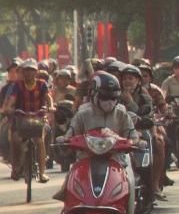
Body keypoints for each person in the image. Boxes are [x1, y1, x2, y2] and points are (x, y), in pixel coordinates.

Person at [54, 72, 140, 206]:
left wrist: (136, 142)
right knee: (70, 181)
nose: (109, 102)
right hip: (85, 161)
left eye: (113, 98)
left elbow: (133, 136)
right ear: (94, 95)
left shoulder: (122, 114)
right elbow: (69, 136)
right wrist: (64, 141)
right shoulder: (83, 115)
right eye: (104, 97)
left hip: (116, 162)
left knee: (129, 183)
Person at [117, 63, 165, 200]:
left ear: (138, 81)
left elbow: (147, 116)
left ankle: (153, 185)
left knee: (157, 143)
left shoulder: (146, 97)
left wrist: (131, 102)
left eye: (131, 78)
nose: (127, 81)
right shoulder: (115, 95)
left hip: (141, 131)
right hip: (119, 133)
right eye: (125, 78)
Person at [0, 60, 53, 182]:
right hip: (21, 120)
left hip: (38, 118)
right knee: (15, 139)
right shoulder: (18, 86)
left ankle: (41, 172)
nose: (29, 73)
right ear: (23, 72)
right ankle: (16, 167)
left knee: (40, 141)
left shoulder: (42, 84)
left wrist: (50, 106)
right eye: (27, 70)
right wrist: (8, 108)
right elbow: (12, 98)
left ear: (36, 72)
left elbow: (48, 97)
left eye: (32, 70)